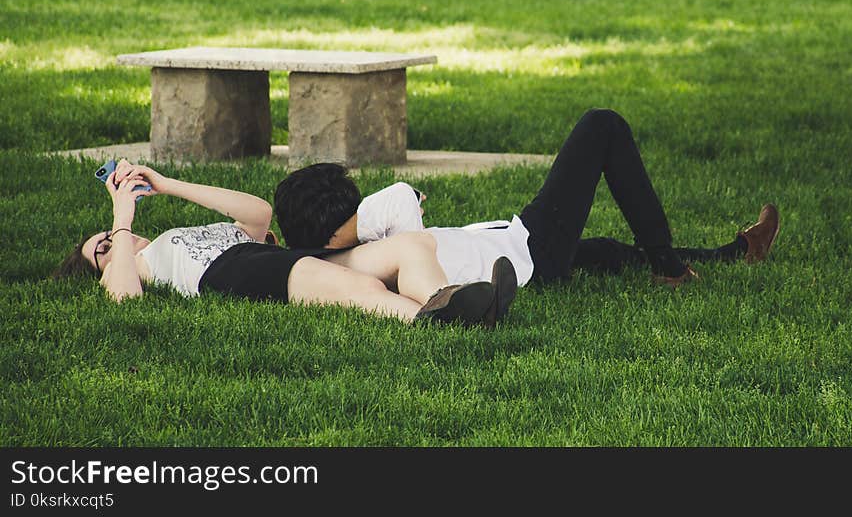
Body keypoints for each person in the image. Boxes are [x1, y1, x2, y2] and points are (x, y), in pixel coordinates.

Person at [273, 109, 781, 320]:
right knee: (601, 127)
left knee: (606, 252)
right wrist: (357, 226)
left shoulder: (344, 255)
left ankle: (738, 251)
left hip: (518, 245)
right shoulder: (359, 247)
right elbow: (404, 198)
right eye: (346, 209)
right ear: (330, 229)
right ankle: (670, 269)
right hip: (528, 252)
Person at [54, 160, 516, 328]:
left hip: (281, 257)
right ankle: (434, 320)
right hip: (244, 272)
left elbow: (257, 213)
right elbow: (125, 301)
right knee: (363, 292)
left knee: (410, 246)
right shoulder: (135, 268)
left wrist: (167, 184)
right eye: (102, 250)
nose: (114, 245)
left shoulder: (172, 240)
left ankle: (450, 303)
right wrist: (119, 219)